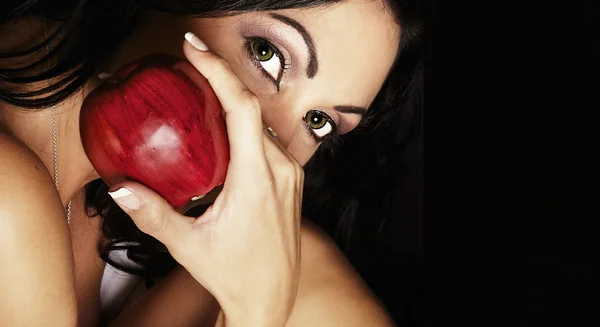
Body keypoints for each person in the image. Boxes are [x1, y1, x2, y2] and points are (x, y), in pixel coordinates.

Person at [0, 0, 422, 326]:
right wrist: (255, 315)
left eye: (318, 121)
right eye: (266, 53)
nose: (271, 139)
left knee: (299, 264)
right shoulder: (10, 202)